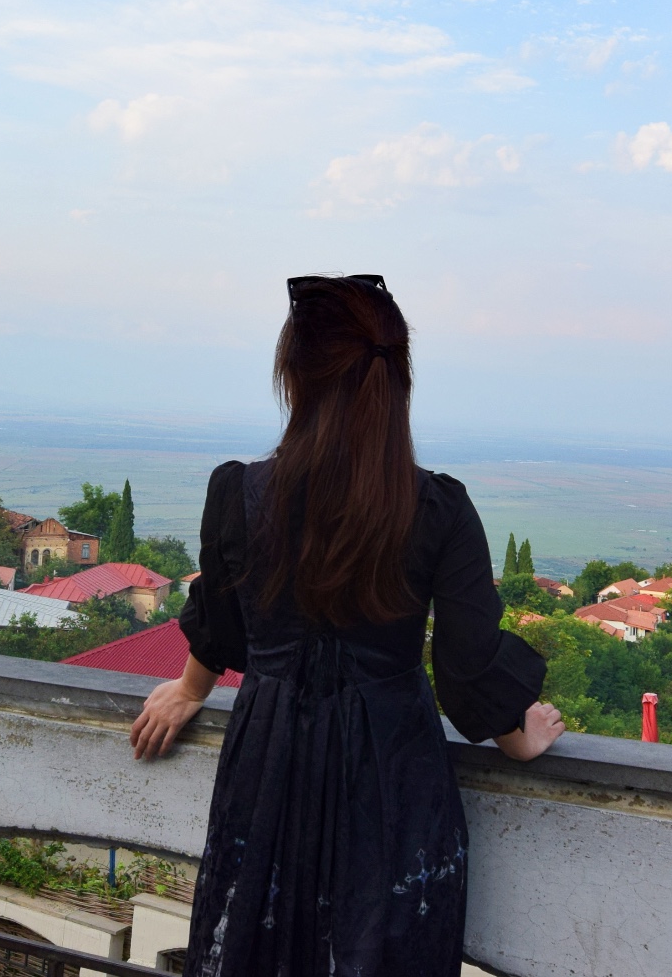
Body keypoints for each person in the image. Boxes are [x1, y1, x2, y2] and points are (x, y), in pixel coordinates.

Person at [131, 273, 565, 976]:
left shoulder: (237, 492)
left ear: (294, 379)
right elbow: (466, 664)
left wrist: (190, 689)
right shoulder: (439, 509)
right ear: (397, 384)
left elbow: (225, 618)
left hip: (268, 768)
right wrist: (518, 737)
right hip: (393, 778)